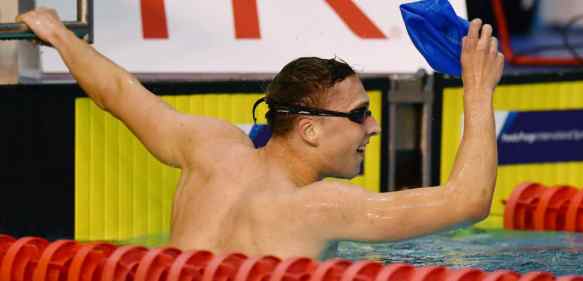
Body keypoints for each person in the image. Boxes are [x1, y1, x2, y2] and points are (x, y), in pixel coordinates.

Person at [16, 8, 503, 259]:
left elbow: (120, 94)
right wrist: (478, 90)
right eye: (359, 115)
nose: (372, 128)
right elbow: (467, 202)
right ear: (309, 129)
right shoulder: (319, 206)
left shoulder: (209, 147)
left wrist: (58, 34)